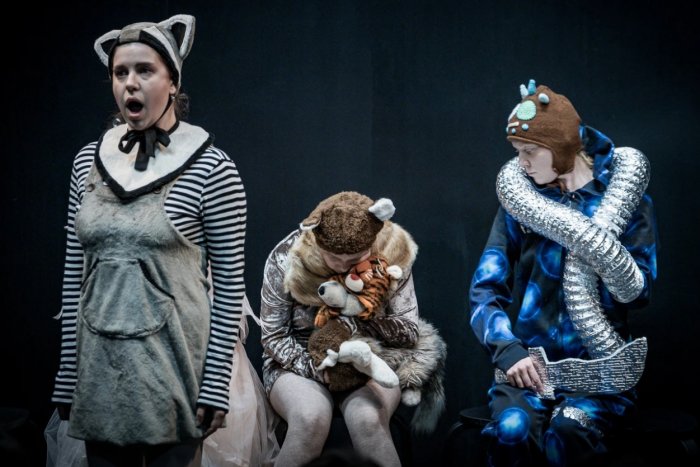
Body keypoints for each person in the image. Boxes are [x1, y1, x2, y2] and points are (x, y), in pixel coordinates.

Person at [50, 14, 247, 466]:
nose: (131, 84)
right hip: (100, 364)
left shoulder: (212, 168)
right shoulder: (87, 162)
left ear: (173, 82)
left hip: (174, 369)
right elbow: (74, 274)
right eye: (120, 73)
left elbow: (229, 288)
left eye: (145, 71)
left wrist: (215, 383)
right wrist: (66, 372)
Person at [469, 79, 658, 466]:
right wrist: (508, 351)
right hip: (527, 372)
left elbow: (638, 294)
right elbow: (485, 289)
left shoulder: (627, 203)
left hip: (600, 375)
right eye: (517, 152)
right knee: (511, 431)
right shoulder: (521, 204)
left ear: (560, 147)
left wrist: (599, 247)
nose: (521, 163)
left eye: (529, 151)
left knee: (569, 433)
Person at [260, 191, 420, 467]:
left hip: (371, 358)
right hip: (297, 361)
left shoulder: (391, 253)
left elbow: (408, 330)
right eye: (335, 259)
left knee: (368, 420)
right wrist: (319, 369)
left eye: (355, 258)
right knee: (310, 419)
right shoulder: (287, 257)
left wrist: (354, 321)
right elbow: (274, 336)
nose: (346, 268)